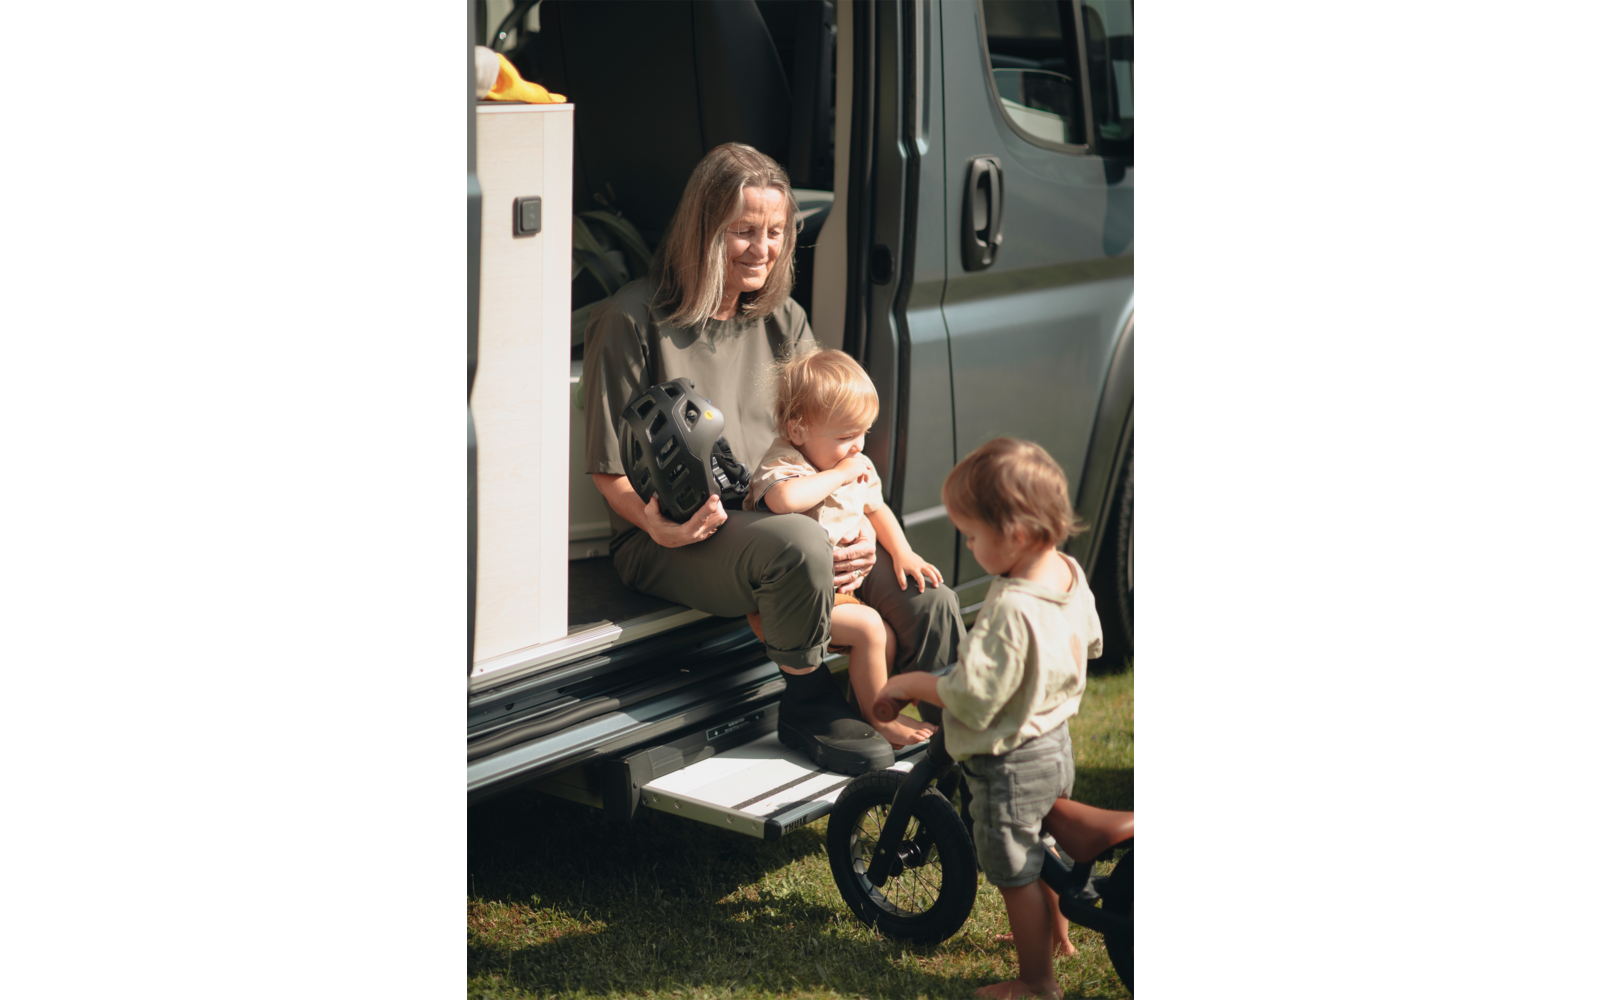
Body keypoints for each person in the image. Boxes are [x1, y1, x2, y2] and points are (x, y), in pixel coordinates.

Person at [581, 142, 964, 774]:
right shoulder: (630, 319)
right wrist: (655, 525)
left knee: (930, 601)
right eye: (743, 231)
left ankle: (962, 747)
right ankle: (808, 700)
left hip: (796, 520)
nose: (763, 247)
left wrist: (868, 531)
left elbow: (826, 446)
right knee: (798, 546)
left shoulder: (783, 319)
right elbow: (608, 469)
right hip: (677, 536)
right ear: (703, 231)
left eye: (777, 232)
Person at [877, 438, 1103, 1000]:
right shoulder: (1068, 572)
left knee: (1014, 865)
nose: (969, 546)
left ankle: (1035, 983)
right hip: (1054, 742)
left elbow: (972, 697)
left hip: (1008, 759)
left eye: (973, 536)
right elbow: (1091, 641)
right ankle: (1056, 938)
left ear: (1017, 535)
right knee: (1044, 844)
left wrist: (907, 684)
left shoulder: (1009, 609)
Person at [742, 346, 943, 748]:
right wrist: (838, 475)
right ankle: (880, 717)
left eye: (864, 432)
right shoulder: (784, 461)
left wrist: (903, 551)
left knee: (881, 632)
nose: (859, 447)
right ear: (797, 431)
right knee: (871, 629)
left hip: (838, 597)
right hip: (788, 606)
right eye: (847, 436)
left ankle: (866, 712)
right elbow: (784, 501)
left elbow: (877, 508)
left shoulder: (849, 462)